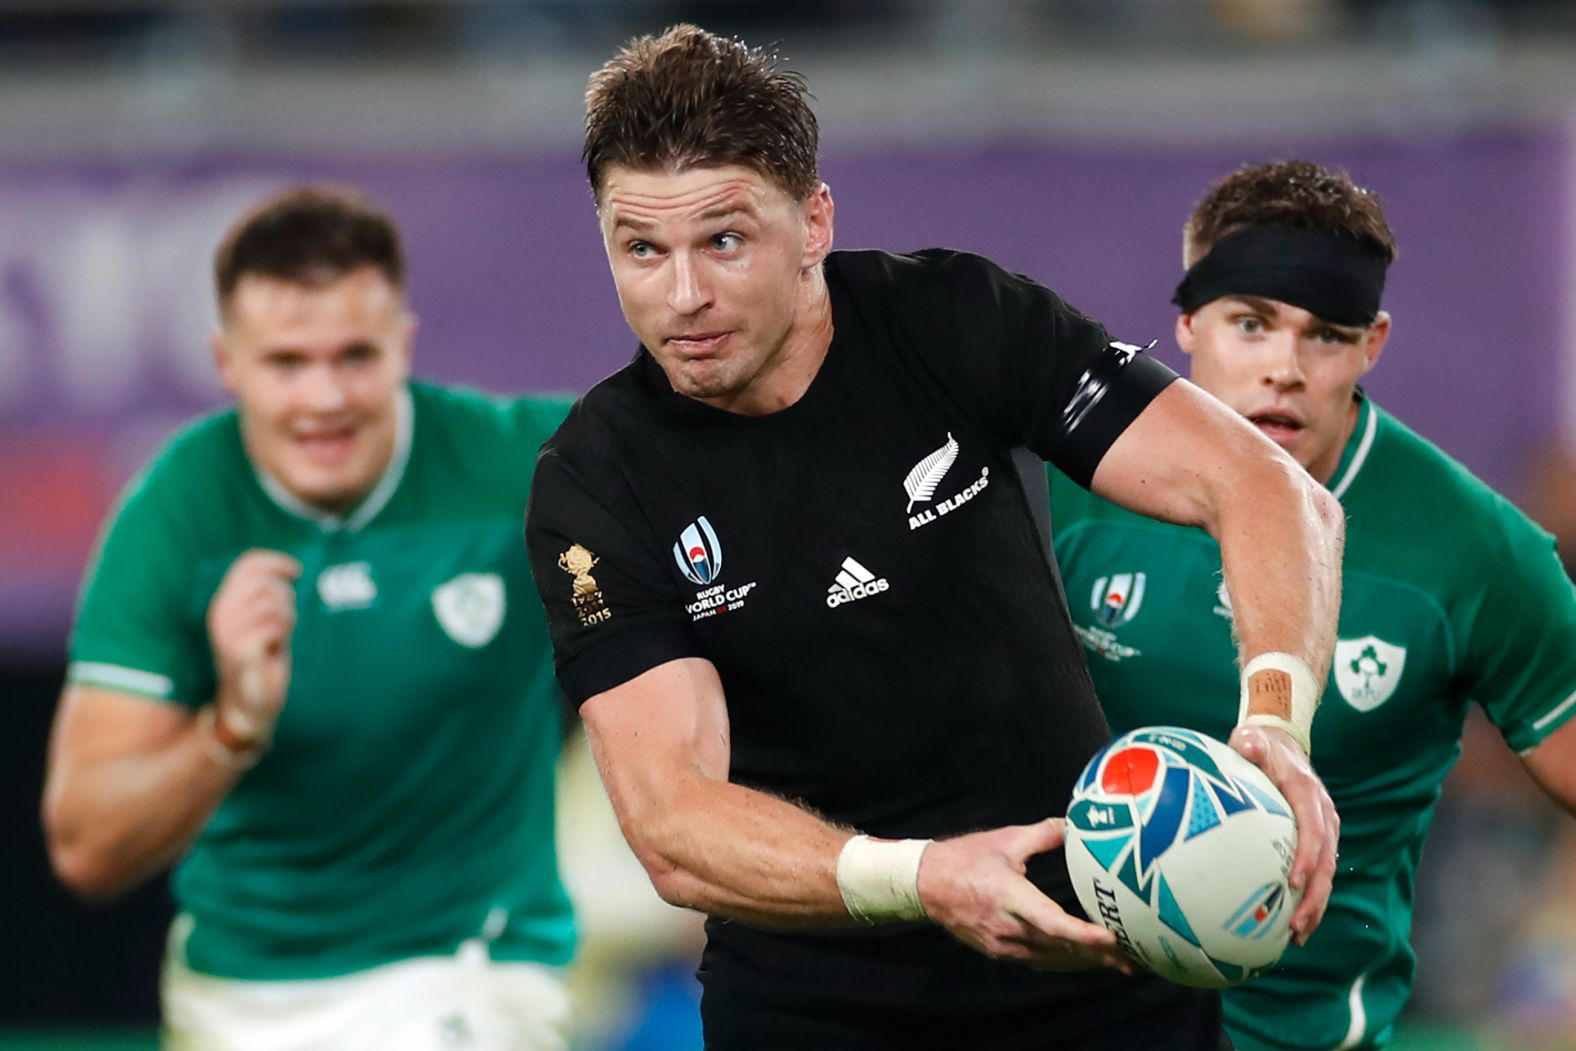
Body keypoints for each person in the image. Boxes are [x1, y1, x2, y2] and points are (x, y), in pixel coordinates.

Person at [524, 25, 1343, 1050]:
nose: (681, 296)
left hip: (1100, 970)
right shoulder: (595, 482)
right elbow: (673, 823)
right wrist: (919, 876)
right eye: (641, 249)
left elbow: (1266, 488)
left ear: (814, 221)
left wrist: (1276, 723)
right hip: (820, 1007)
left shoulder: (950, 317)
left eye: (724, 241)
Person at [1047, 159, 1576, 1050]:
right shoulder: (1070, 489)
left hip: (1300, 1034)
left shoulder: (1474, 549)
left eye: (1325, 335)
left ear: (1373, 344)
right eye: (1251, 325)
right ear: (1188, 325)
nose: (1284, 368)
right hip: (1057, 1018)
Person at [42, 186, 577, 1051]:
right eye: (288, 362)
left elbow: (726, 463)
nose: (324, 397)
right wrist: (231, 728)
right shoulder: (177, 514)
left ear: (403, 345)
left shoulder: (523, 465)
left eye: (355, 356)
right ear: (227, 362)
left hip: (470, 970)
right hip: (237, 992)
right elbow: (87, 845)